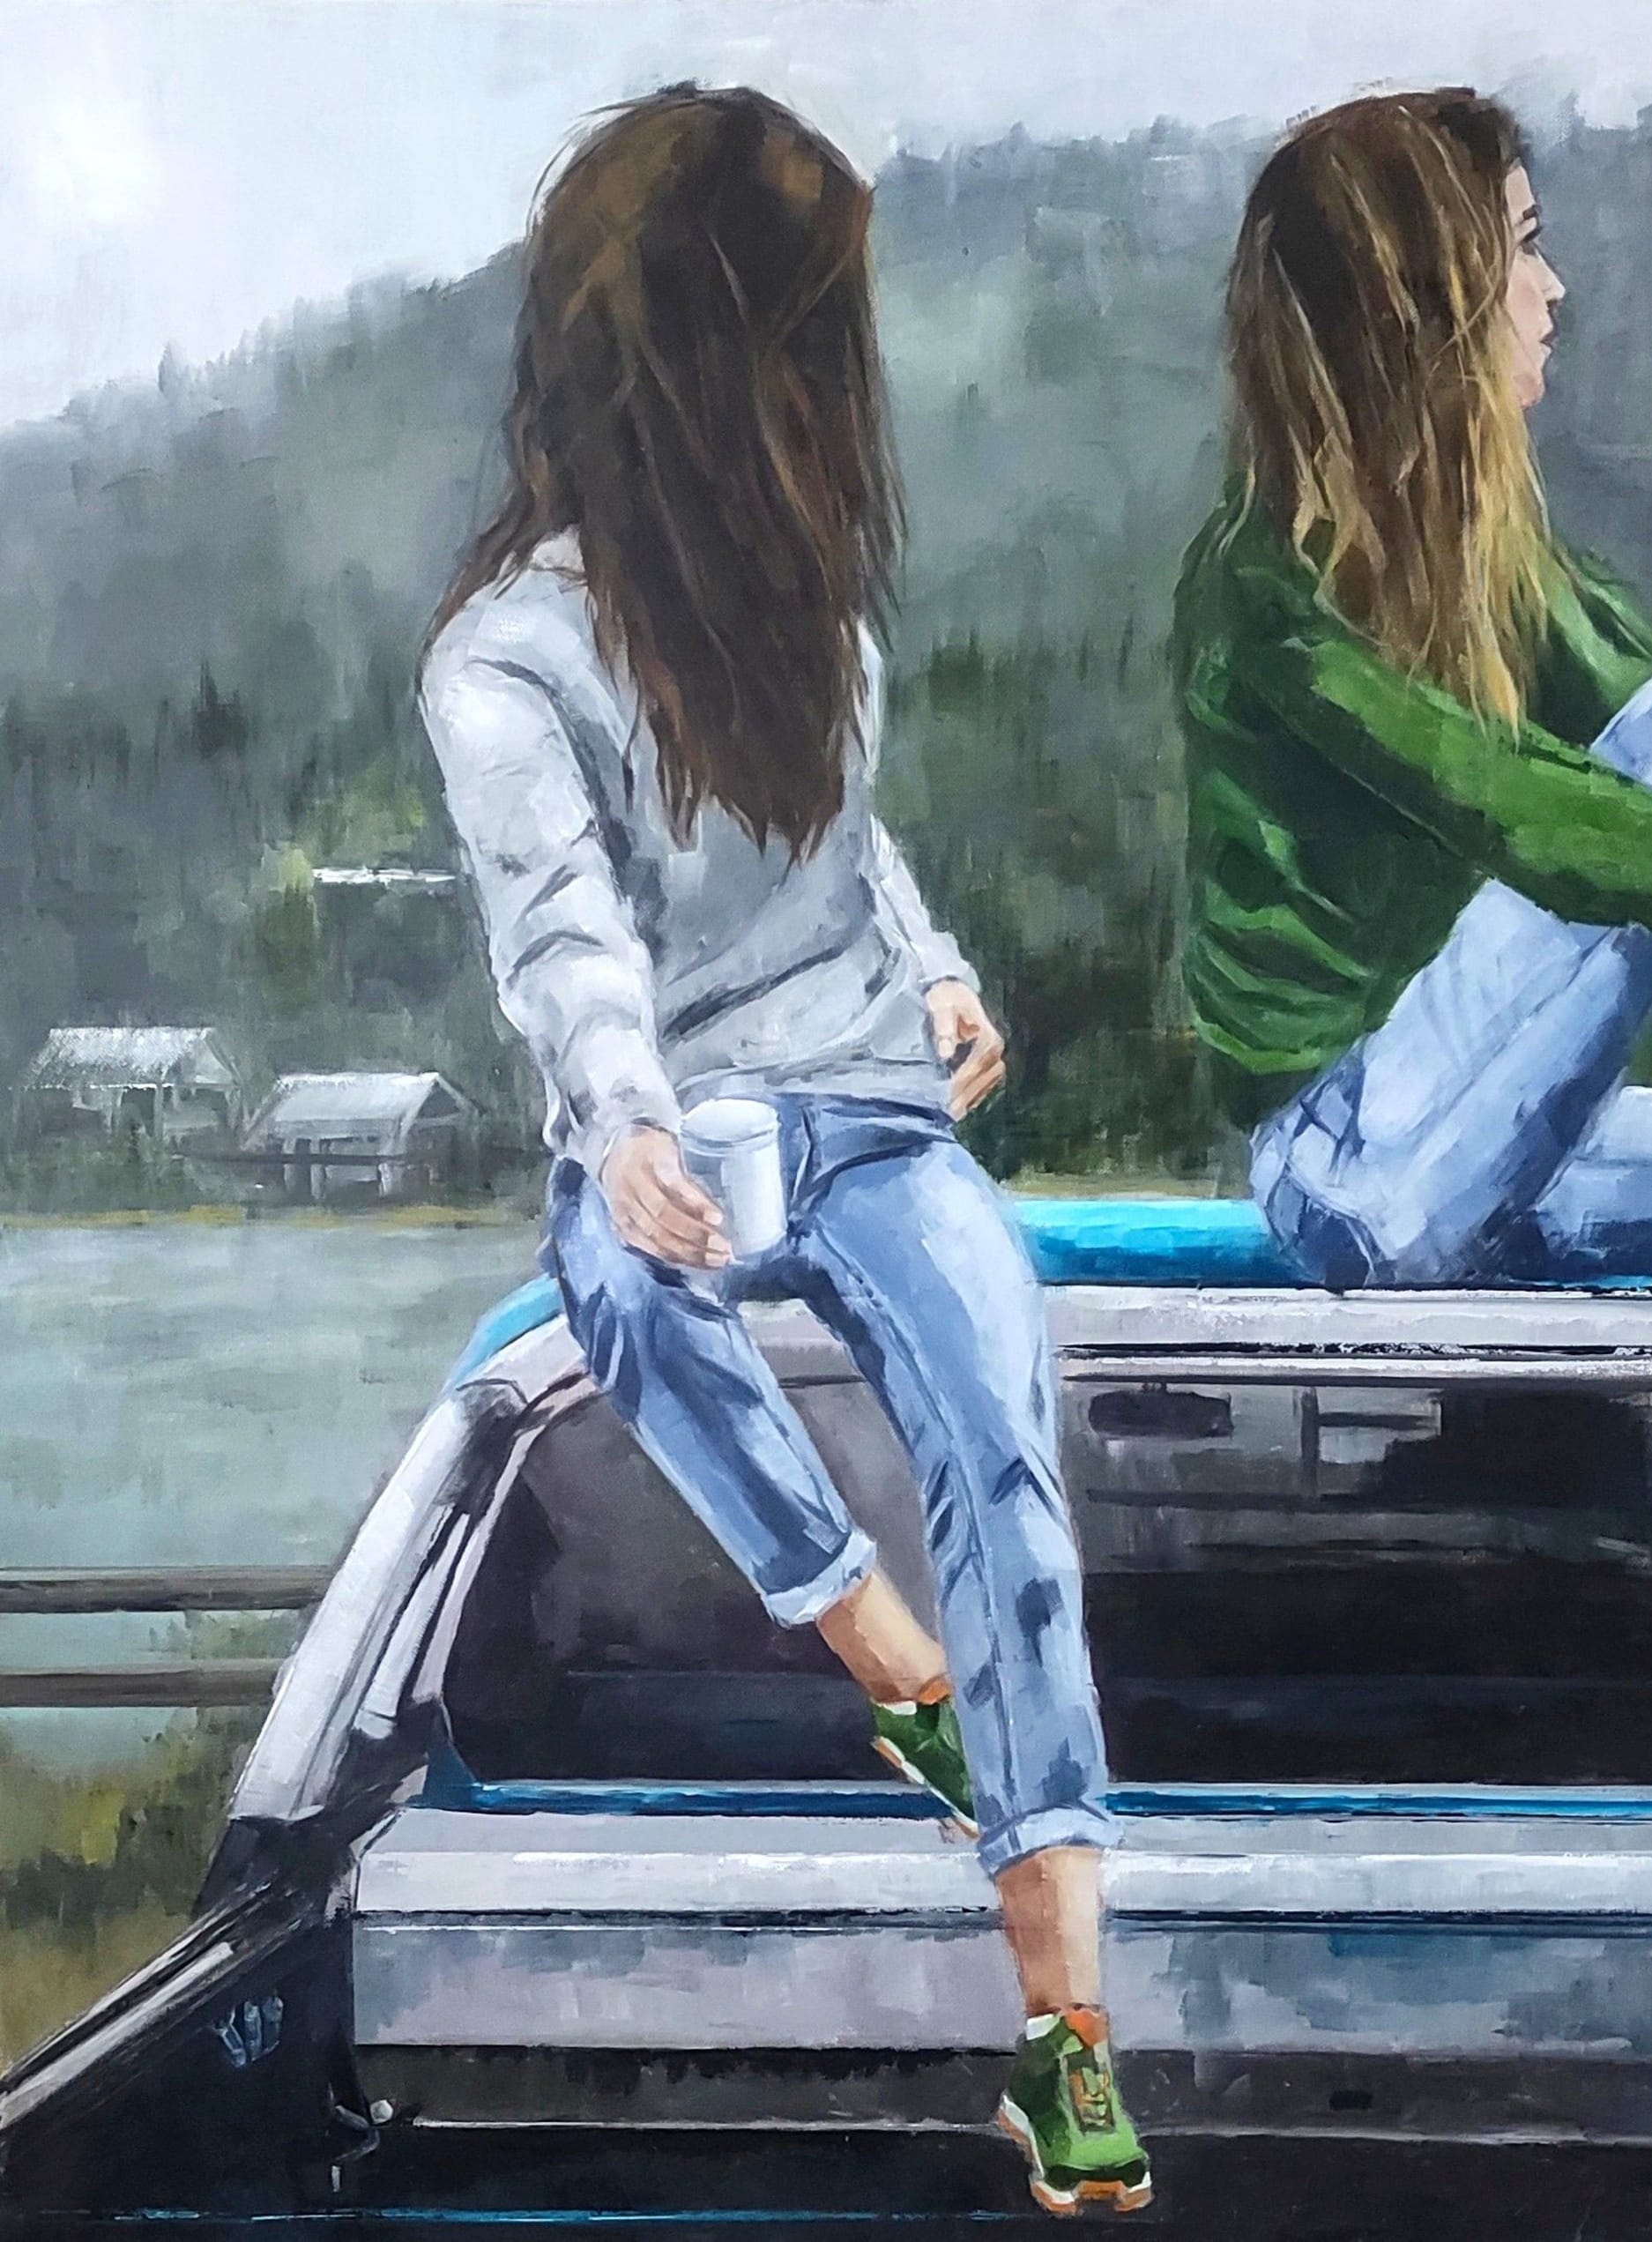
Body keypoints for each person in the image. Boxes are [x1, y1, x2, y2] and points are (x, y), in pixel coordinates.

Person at [420, 85, 1150, 2216]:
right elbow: (564, 934)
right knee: (619, 1282)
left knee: (1005, 1454)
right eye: (805, 344)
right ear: (688, 363)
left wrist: (936, 971)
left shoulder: (817, 616)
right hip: (687, 1118)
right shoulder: (508, 656)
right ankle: (887, 1664)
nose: (837, 397)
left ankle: (1068, 2035)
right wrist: (625, 1124)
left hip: (868, 1108)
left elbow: (852, 848)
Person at [1172, 89, 1652, 1290]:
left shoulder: (1479, 560)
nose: (1555, 292)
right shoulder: (1268, 588)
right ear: (1423, 310)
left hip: (1472, 1143)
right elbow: (1533, 814)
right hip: (1353, 1173)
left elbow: (1639, 710)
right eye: (1524, 253)